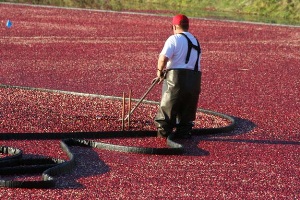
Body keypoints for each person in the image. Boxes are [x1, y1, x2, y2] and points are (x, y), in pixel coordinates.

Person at [154, 14, 202, 139]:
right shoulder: (195, 40)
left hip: (175, 81)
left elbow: (163, 58)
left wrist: (159, 72)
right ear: (187, 26)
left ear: (175, 26)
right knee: (186, 120)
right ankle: (184, 140)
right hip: (194, 82)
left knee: (166, 117)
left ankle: (163, 140)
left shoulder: (174, 39)